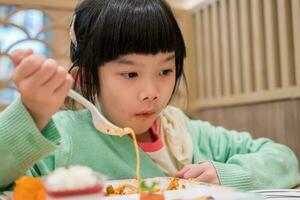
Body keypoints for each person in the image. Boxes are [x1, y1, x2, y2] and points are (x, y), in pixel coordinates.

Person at [0, 0, 299, 192]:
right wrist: (33, 113)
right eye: (130, 74)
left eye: (165, 71)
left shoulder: (183, 133)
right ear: (88, 77)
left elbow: (284, 159)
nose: (152, 93)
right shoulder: (61, 138)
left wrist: (227, 175)